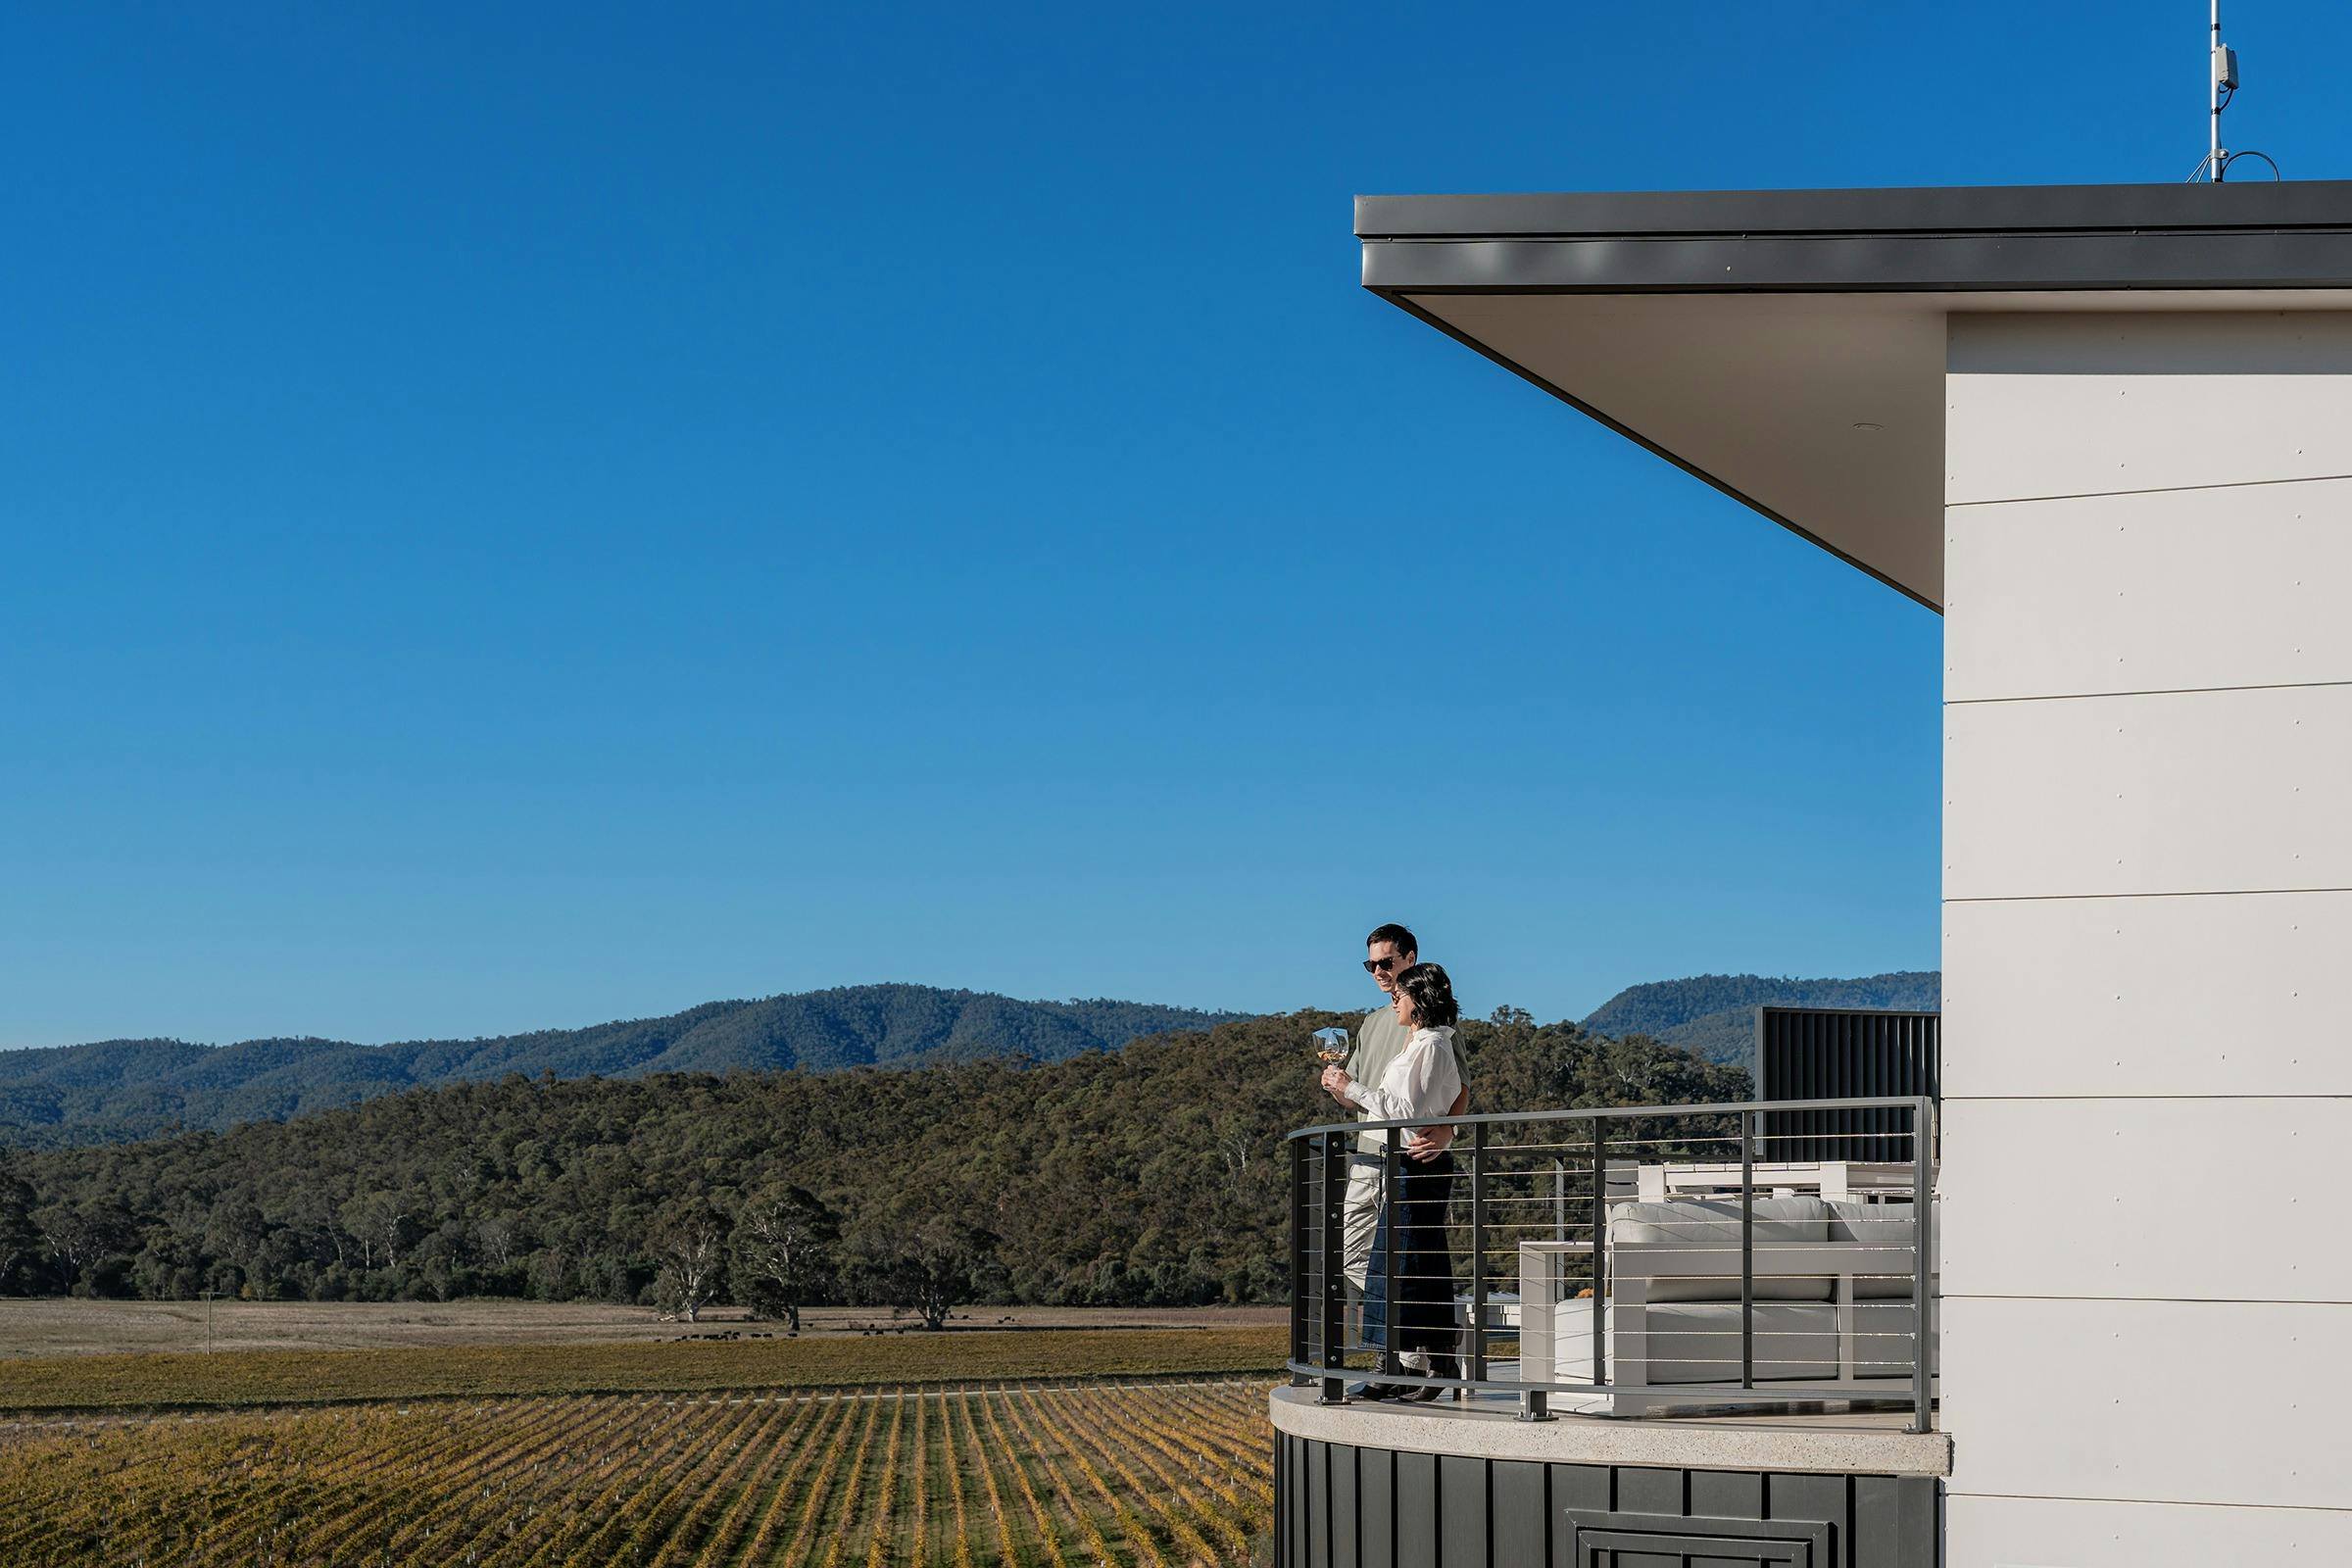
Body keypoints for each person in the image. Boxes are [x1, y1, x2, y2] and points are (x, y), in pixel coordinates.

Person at [1328, 924, 1468, 1386]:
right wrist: (1338, 1086)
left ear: (1410, 959)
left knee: (1406, 1258)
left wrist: (1446, 1132)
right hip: (1371, 1156)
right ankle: (1420, 1348)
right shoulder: (1373, 1023)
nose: (1378, 973)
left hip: (1411, 1157)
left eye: (1386, 963)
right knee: (1361, 1256)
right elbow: (1367, 1096)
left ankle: (1402, 1360)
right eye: (1371, 965)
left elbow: (1456, 1091)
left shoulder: (1437, 1033)